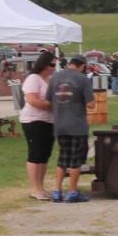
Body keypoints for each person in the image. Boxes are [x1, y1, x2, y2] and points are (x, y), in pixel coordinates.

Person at [47, 55, 95, 203]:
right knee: (75, 160)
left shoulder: (55, 77)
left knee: (63, 158)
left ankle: (57, 191)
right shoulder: (83, 79)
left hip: (60, 124)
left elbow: (48, 100)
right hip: (76, 125)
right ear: (82, 66)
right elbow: (91, 104)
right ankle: (73, 192)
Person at [19, 51, 57, 201]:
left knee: (44, 154)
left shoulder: (49, 80)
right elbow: (32, 100)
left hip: (49, 120)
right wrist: (50, 105)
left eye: (55, 65)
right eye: (51, 65)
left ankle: (41, 186)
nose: (53, 68)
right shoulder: (33, 78)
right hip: (34, 120)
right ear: (44, 64)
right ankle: (34, 188)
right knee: (35, 153)